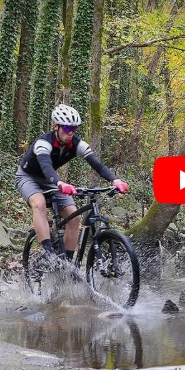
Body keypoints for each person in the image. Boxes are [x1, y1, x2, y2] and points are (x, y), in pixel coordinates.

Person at [15, 104, 129, 262]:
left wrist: (114, 179)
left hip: (51, 181)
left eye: (74, 129)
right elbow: (46, 166)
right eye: (67, 128)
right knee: (39, 204)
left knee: (74, 217)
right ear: (55, 126)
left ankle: (68, 264)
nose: (71, 133)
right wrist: (60, 183)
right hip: (28, 177)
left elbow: (97, 164)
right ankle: (49, 255)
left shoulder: (77, 144)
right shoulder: (43, 143)